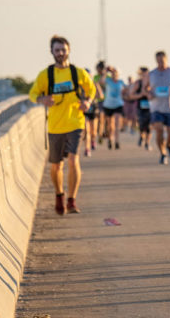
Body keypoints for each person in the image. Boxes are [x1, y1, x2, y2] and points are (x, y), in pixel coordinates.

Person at [29, 35, 96, 215]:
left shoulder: (78, 72)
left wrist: (88, 102)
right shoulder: (46, 75)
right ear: (51, 52)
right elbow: (33, 94)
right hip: (55, 126)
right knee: (56, 165)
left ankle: (72, 200)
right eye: (57, 50)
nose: (60, 53)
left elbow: (92, 89)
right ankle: (59, 195)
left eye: (63, 50)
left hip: (75, 122)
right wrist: (43, 99)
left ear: (69, 51)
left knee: (74, 160)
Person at [149, 51, 170, 165]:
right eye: (158, 60)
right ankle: (162, 153)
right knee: (159, 130)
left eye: (162, 60)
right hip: (156, 108)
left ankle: (169, 145)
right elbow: (145, 88)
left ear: (166, 59)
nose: (160, 62)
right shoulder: (152, 74)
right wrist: (148, 94)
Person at [101, 66, 127, 149]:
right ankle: (110, 139)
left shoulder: (121, 82)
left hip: (118, 104)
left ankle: (117, 141)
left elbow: (127, 89)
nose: (114, 75)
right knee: (110, 125)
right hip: (108, 105)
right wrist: (105, 72)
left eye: (116, 73)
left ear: (118, 74)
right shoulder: (108, 81)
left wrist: (126, 94)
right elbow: (101, 81)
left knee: (116, 124)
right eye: (112, 73)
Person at [129, 67, 152, 150]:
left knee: (150, 126)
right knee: (142, 125)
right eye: (143, 75)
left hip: (151, 108)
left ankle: (147, 143)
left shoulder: (151, 83)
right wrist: (141, 95)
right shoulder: (138, 83)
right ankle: (141, 136)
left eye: (146, 75)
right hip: (141, 108)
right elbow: (131, 95)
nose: (144, 76)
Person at [82, 68, 102, 157]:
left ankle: (93, 140)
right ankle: (87, 149)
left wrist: (96, 86)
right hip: (84, 109)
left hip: (93, 108)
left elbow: (101, 96)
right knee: (87, 131)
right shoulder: (80, 85)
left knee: (93, 131)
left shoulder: (94, 84)